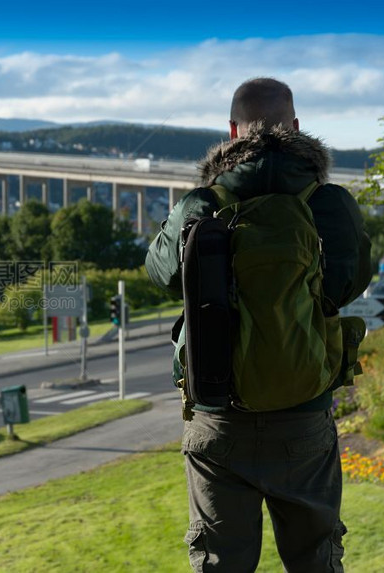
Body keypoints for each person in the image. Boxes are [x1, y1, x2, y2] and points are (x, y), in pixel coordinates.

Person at [145, 78, 372, 571]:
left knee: (220, 564)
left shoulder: (202, 204)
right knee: (317, 561)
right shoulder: (328, 202)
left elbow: (160, 273)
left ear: (231, 132)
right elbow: (350, 282)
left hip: (218, 415)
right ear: (295, 127)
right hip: (304, 414)